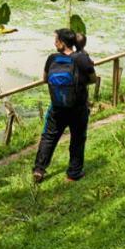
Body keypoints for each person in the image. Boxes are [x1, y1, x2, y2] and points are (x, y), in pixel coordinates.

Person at [32, 28, 97, 184]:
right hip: (78, 107)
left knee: (49, 137)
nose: (55, 42)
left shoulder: (52, 59)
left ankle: (39, 169)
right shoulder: (82, 59)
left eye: (56, 40)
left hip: (57, 106)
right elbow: (93, 79)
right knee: (77, 138)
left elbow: (45, 79)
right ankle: (73, 173)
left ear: (61, 43)